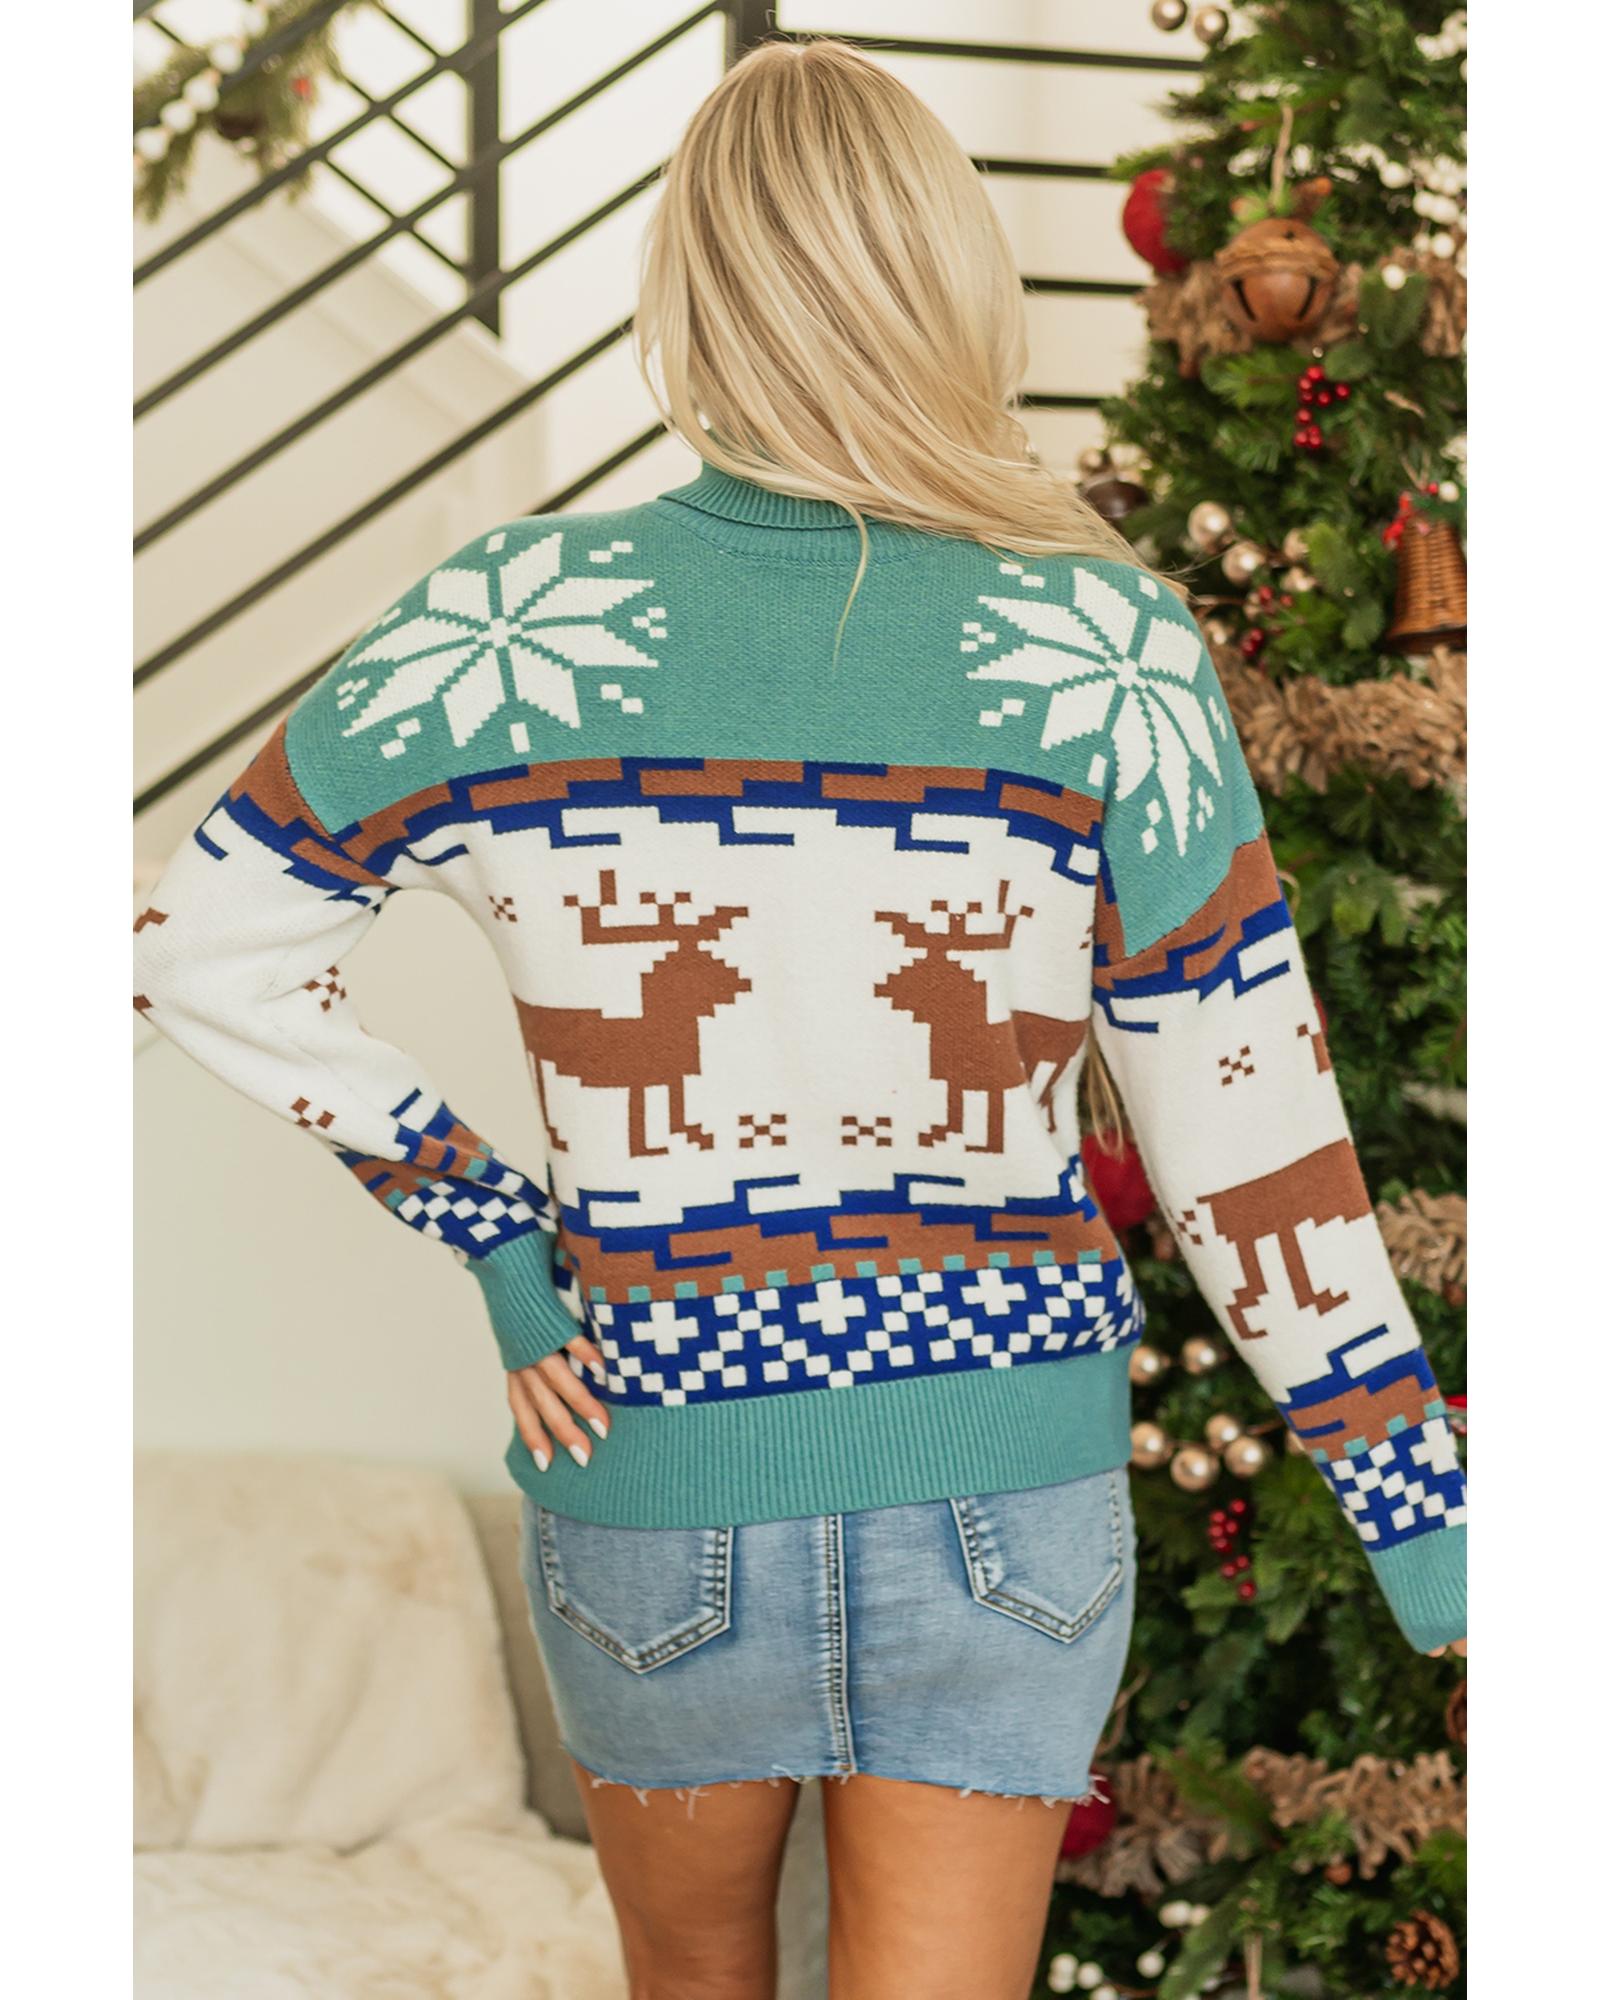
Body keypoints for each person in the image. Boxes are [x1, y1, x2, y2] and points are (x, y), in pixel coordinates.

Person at [133, 37, 1466, 2000]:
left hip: (660, 1464)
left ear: (688, 291)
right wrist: (1421, 1518)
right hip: (1001, 1485)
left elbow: (199, 941)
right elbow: (1243, 1117)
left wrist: (497, 1234)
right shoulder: (1099, 640)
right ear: (949, 281)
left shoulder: (510, 627)